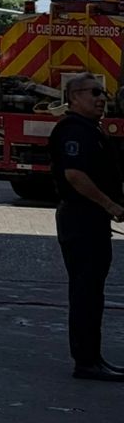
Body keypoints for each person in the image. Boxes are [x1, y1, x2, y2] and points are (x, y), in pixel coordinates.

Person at [48, 73, 124, 380]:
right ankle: (87, 361)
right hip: (81, 219)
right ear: (74, 96)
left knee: (92, 292)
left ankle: (93, 357)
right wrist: (110, 205)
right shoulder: (74, 132)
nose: (101, 98)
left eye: (103, 93)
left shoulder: (91, 129)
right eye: (93, 92)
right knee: (85, 293)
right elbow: (75, 176)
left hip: (90, 220)